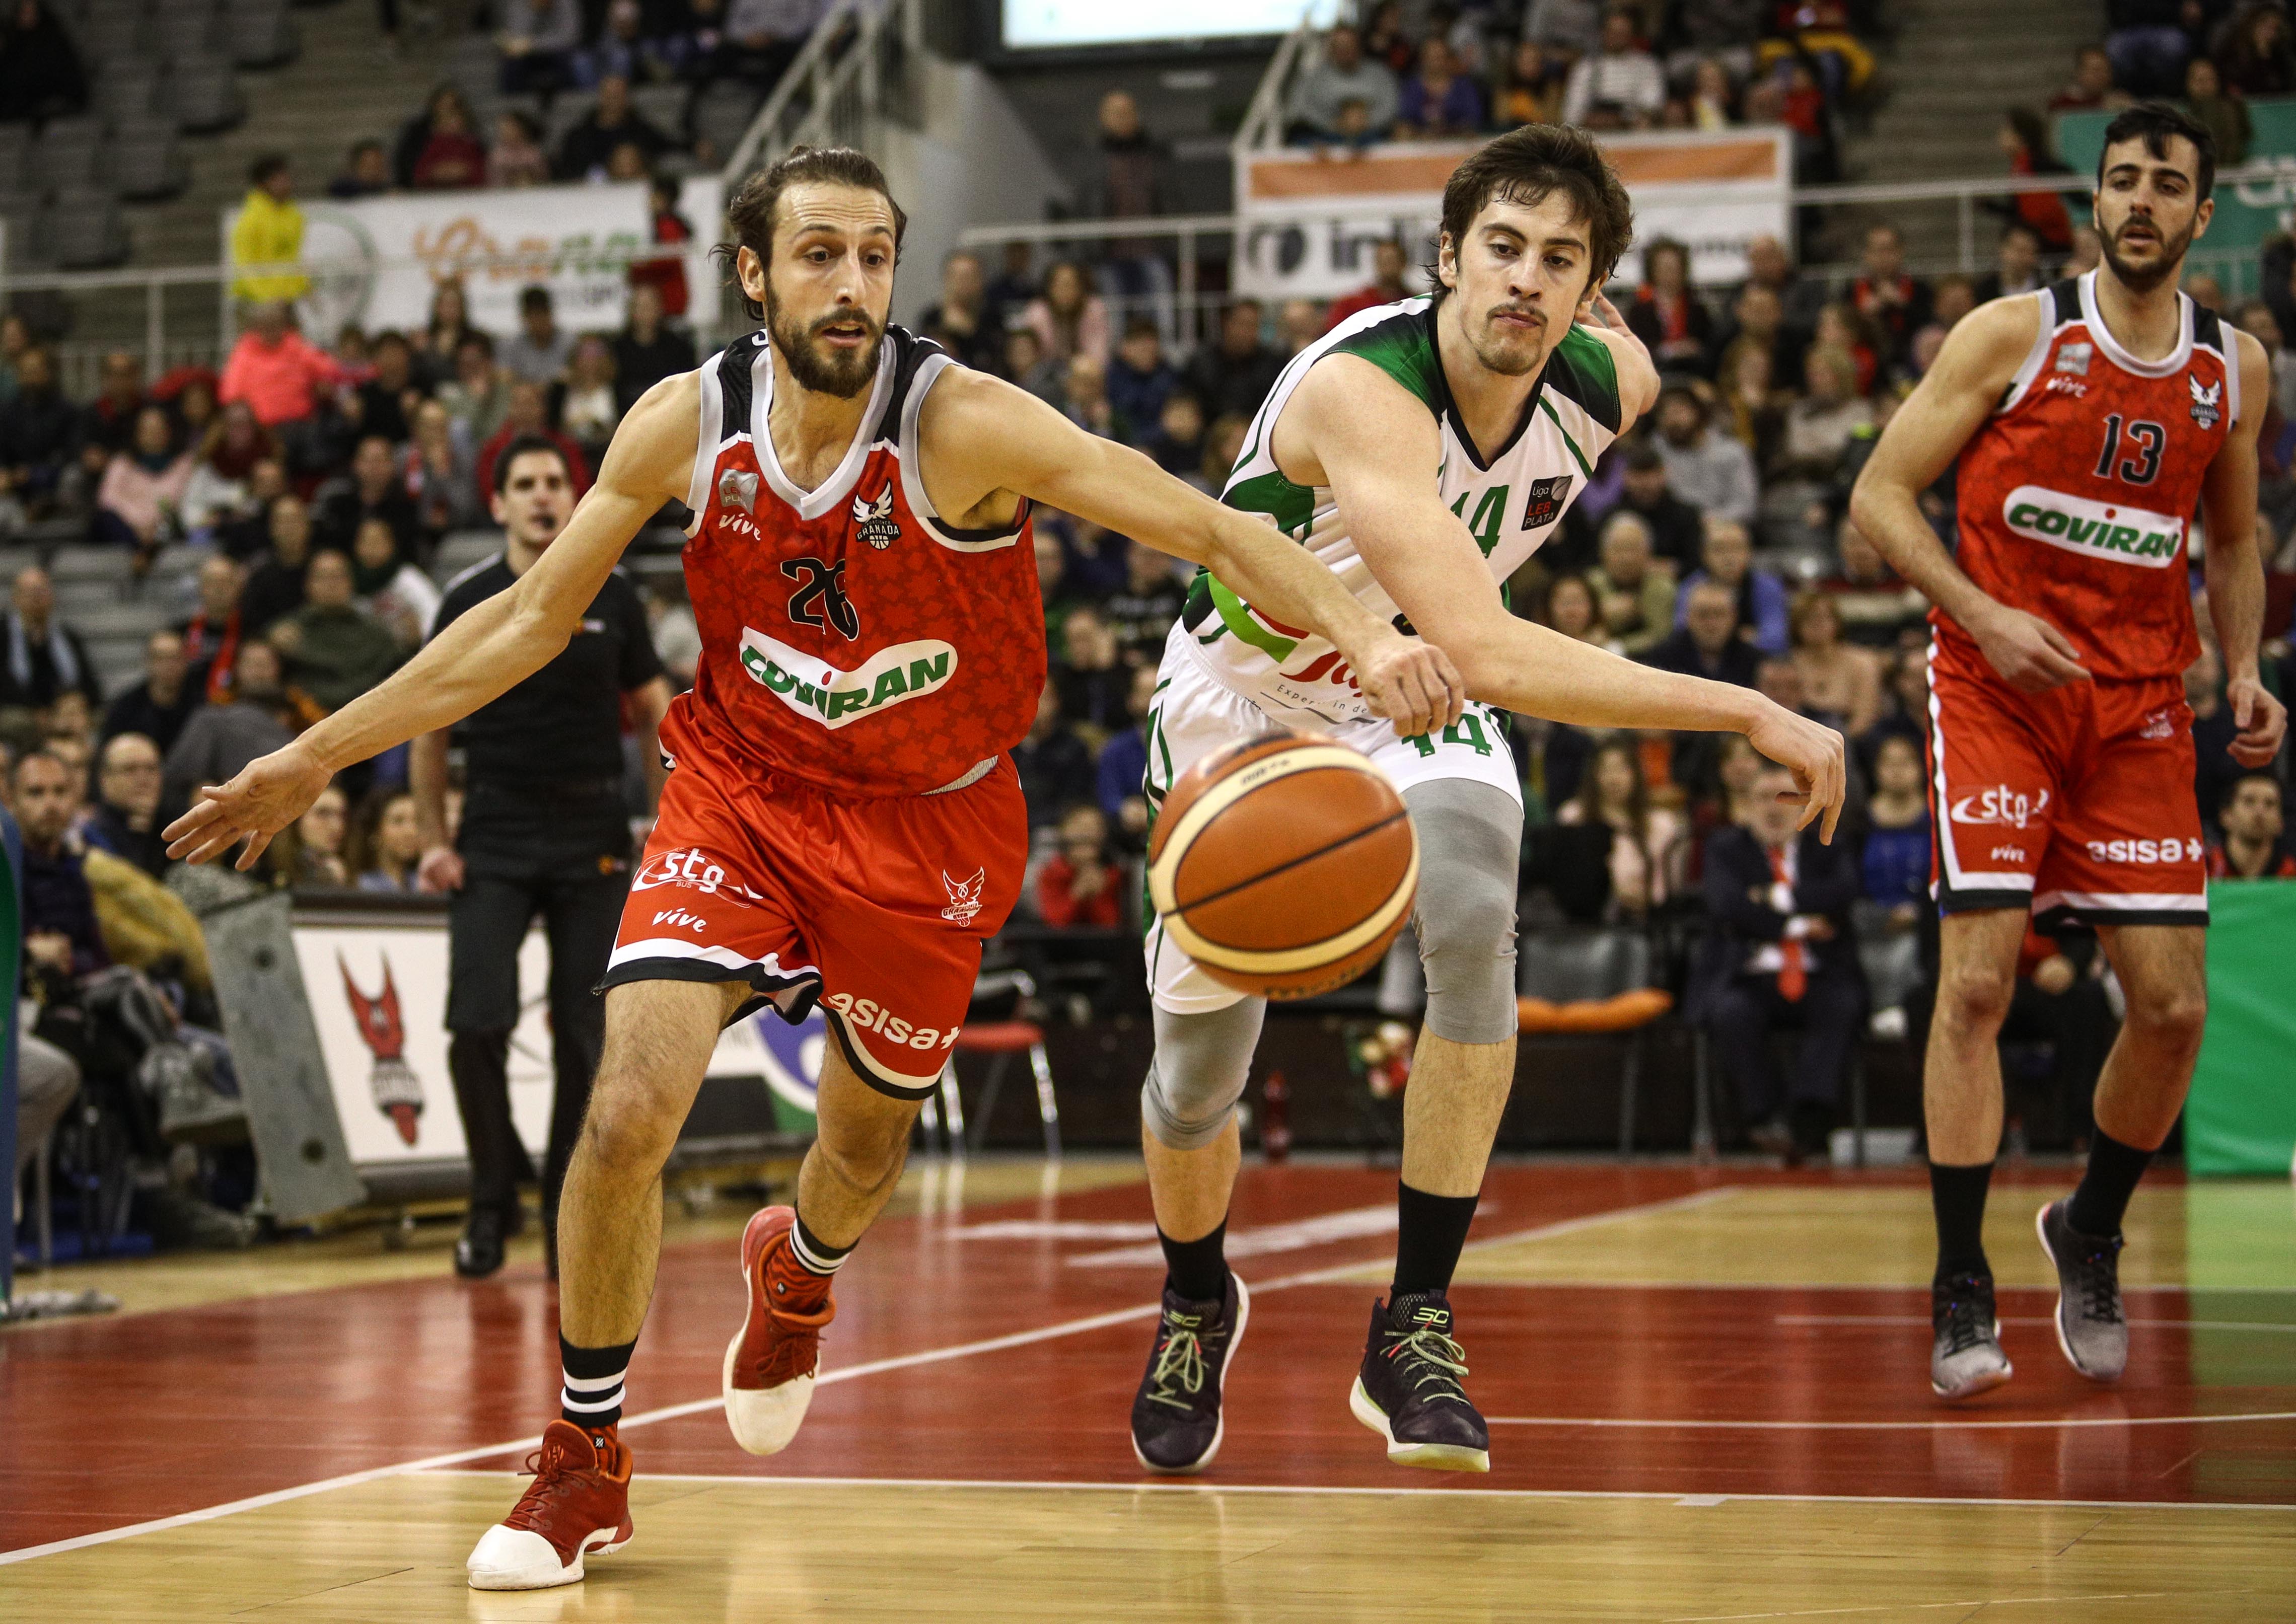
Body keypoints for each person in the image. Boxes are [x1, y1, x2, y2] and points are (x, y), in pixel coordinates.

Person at [165, 143, 1463, 1594]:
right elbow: (526, 620)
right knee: (625, 1110)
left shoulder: (965, 421)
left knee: (855, 1156)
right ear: (753, 273)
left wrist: (1368, 635)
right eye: (820, 254)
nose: (851, 285)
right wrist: (313, 756)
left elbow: (1209, 527)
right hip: (742, 792)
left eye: (874, 256)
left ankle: (801, 1275)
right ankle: (583, 1461)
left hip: (933, 821)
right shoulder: (684, 425)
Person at [1125, 123, 1843, 1479]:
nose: (1526, 279)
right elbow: (1503, 648)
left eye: (1560, 261)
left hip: (1422, 677)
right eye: (1501, 248)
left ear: (1593, 294)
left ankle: (1415, 1319)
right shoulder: (1362, 389)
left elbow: (1470, 652)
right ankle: (1193, 1292)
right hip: (1253, 697)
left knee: (1471, 914)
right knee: (1198, 1066)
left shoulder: (1609, 377)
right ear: (1447, 256)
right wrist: (1748, 705)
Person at [1848, 104, 2287, 1403]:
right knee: (1976, 986)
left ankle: (2088, 1223)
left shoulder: (2233, 369)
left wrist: (2246, 661)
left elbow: (2234, 537)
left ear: (2203, 215)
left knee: (2173, 1007)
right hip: (1991, 682)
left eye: (2166, 185)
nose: (2140, 201)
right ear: (2091, 203)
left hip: (2140, 705)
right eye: (2121, 182)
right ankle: (1957, 1277)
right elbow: (1878, 492)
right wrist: (1980, 611)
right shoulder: (2012, 333)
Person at [417, 434, 671, 1280]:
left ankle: (571, 1205)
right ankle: (491, 1201)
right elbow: (426, 719)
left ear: (574, 496)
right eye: (522, 484)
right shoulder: (468, 595)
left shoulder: (618, 592)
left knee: (586, 1032)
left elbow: (651, 711)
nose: (539, 496)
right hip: (492, 829)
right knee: (475, 1023)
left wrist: (664, 821)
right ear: (497, 504)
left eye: (553, 482)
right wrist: (431, 840)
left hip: (591, 829)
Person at [1697, 759, 1867, 1162]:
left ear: (1805, 806)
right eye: (1762, 799)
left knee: (1842, 1005)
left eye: (1785, 799)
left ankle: (1808, 1117)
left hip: (1820, 971)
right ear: (1746, 806)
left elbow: (1843, 892)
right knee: (1732, 1012)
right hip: (1752, 973)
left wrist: (1775, 899)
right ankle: (1767, 1117)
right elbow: (1728, 905)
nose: (1773, 809)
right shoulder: (1726, 847)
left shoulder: (1827, 846)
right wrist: (1800, 926)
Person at [164, 639, 294, 819]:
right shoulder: (212, 718)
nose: (259, 671)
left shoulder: (303, 719)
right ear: (237, 670)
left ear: (279, 669)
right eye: (251, 664)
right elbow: (178, 779)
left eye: (266, 664)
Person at [1557, 735, 1681, 917]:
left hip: (1651, 919)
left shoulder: (1661, 824)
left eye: (1622, 769)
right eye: (1606, 769)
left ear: (1637, 774)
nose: (1614, 778)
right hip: (1588, 920)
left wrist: (1644, 900)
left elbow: (1670, 884)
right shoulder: (1573, 817)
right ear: (1593, 775)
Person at [271, 550, 403, 716]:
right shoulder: (287, 632)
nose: (331, 584)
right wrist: (272, 640)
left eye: (338, 577)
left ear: (351, 582)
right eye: (323, 577)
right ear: (308, 584)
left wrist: (413, 640)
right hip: (304, 720)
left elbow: (399, 671)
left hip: (365, 718)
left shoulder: (376, 633)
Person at [218, 301, 351, 430]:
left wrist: (322, 384)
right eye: (265, 325)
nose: (270, 330)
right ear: (257, 327)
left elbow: (331, 370)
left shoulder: (296, 346)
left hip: (299, 424)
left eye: (275, 324)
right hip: (260, 430)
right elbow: (230, 394)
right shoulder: (244, 352)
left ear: (284, 325)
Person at [1675, 518, 1787, 655]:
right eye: (1719, 549)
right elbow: (1682, 635)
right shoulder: (1691, 588)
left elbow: (1777, 640)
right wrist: (1741, 638)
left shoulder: (1768, 587)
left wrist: (1720, 637)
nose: (1729, 558)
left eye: (1736, 548)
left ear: (1749, 552)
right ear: (1704, 555)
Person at [93, 404, 194, 556]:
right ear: (137, 433)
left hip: (165, 529)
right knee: (105, 520)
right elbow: (107, 499)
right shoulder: (123, 462)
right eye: (147, 430)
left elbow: (184, 499)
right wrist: (138, 525)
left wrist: (154, 524)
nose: (153, 435)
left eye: (158, 430)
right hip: (127, 531)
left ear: (169, 432)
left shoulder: (184, 463)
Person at [0, 565, 99, 713]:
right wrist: (34, 709)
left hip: (63, 710)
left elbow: (88, 683)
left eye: (42, 591)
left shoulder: (67, 636)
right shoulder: (4, 635)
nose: (37, 598)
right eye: (31, 592)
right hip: (20, 710)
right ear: (16, 598)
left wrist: (75, 700)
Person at [1652, 385, 1755, 523]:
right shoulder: (1654, 452)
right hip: (1671, 528)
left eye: (1678, 412)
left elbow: (1746, 505)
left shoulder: (1732, 452)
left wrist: (1712, 520)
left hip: (1719, 524)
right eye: (1665, 414)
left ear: (1698, 413)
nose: (1673, 420)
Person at [1786, 589, 1882, 736]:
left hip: (1850, 742)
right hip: (1798, 737)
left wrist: (1834, 744)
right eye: (1808, 619)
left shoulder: (1863, 663)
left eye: (1823, 617)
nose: (1816, 624)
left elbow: (1864, 719)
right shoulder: (1786, 664)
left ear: (1837, 622)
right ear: (1796, 625)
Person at [1642, 576, 1762, 687]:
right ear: (1688, 618)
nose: (1711, 624)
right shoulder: (1661, 661)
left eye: (1719, 614)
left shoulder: (1756, 663)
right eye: (1703, 615)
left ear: (1734, 617)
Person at [1290, 24, 1399, 144]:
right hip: (1324, 136)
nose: (1345, 51)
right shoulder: (1314, 76)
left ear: (1359, 47)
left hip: (1373, 136)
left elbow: (1391, 106)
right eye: (1340, 46)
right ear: (1331, 49)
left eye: (1350, 45)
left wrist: (1366, 122)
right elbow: (1300, 107)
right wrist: (1332, 124)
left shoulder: (1380, 73)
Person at [1586, 511, 1675, 656]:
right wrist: (1603, 614)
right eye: (1619, 549)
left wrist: (1618, 646)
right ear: (1603, 554)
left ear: (1649, 553)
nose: (1626, 559)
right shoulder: (1590, 585)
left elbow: (1661, 636)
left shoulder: (1662, 587)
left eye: (1633, 549)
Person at [1560, 8, 1664, 129]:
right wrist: (1592, 120)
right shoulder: (1586, 67)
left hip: (1633, 131)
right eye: (1613, 32)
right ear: (1604, 33)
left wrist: (1623, 119)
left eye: (1623, 33)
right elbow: (1571, 111)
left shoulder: (1647, 65)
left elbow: (1652, 103)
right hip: (1593, 133)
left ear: (1632, 35)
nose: (1618, 38)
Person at [85, 732, 170, 878]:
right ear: (105, 779)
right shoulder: (89, 836)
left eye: (151, 769)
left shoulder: (178, 825)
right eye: (130, 769)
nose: (143, 780)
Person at [1185, 299, 1284, 422]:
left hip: (1255, 432)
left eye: (1254, 326)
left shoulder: (1273, 365)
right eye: (1242, 323)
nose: (1247, 332)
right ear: (1226, 323)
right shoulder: (1202, 363)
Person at [102, 630, 198, 757]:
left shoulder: (201, 705)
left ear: (186, 661)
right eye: (161, 658)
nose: (169, 666)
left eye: (175, 658)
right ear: (148, 661)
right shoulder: (125, 708)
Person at [556, 75, 670, 181]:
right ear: (602, 97)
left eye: (618, 95)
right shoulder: (580, 136)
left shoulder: (642, 131)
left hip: (635, 190)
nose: (614, 100)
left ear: (627, 98)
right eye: (610, 95)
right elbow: (568, 169)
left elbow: (667, 149)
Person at [230, 156, 308, 307]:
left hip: (287, 299)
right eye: (280, 180)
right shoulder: (250, 219)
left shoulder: (294, 215)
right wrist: (265, 300)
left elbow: (292, 257)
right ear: (264, 184)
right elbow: (244, 264)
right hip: (254, 300)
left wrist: (304, 288)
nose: (287, 184)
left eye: (287, 179)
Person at [612, 283, 697, 415]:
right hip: (627, 416)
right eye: (640, 306)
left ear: (660, 308)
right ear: (631, 310)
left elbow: (689, 387)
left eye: (650, 305)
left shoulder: (678, 348)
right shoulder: (617, 349)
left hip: (669, 414)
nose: (645, 312)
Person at [1036, 802, 1123, 928]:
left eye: (1095, 826)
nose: (1086, 833)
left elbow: (1112, 926)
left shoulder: (1114, 874)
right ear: (1063, 830)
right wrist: (1077, 895)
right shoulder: (1051, 873)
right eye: (1079, 825)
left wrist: (1097, 894)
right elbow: (1054, 923)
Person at [2208, 769, 2296, 876]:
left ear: (2281, 822)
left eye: (2270, 804)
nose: (2259, 812)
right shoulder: (2206, 869)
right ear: (2226, 816)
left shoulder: (2291, 875)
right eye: (2249, 801)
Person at [1326, 239, 1412, 331]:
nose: (1389, 267)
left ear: (1404, 264)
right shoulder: (1350, 306)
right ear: (1377, 263)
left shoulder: (1413, 303)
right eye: (1384, 261)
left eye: (1393, 261)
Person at [353, 787, 427, 892]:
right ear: (374, 833)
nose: (411, 831)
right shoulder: (361, 886)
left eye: (417, 821)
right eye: (398, 821)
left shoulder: (422, 884)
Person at [501, 285, 576, 386]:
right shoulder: (512, 344)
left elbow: (573, 375)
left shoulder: (569, 343)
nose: (538, 321)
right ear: (524, 317)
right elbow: (504, 376)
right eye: (532, 316)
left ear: (550, 314)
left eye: (541, 314)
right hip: (524, 397)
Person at [329, 138, 393, 198]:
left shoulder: (386, 190)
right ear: (355, 166)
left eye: (378, 165)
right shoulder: (341, 190)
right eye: (369, 167)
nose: (374, 171)